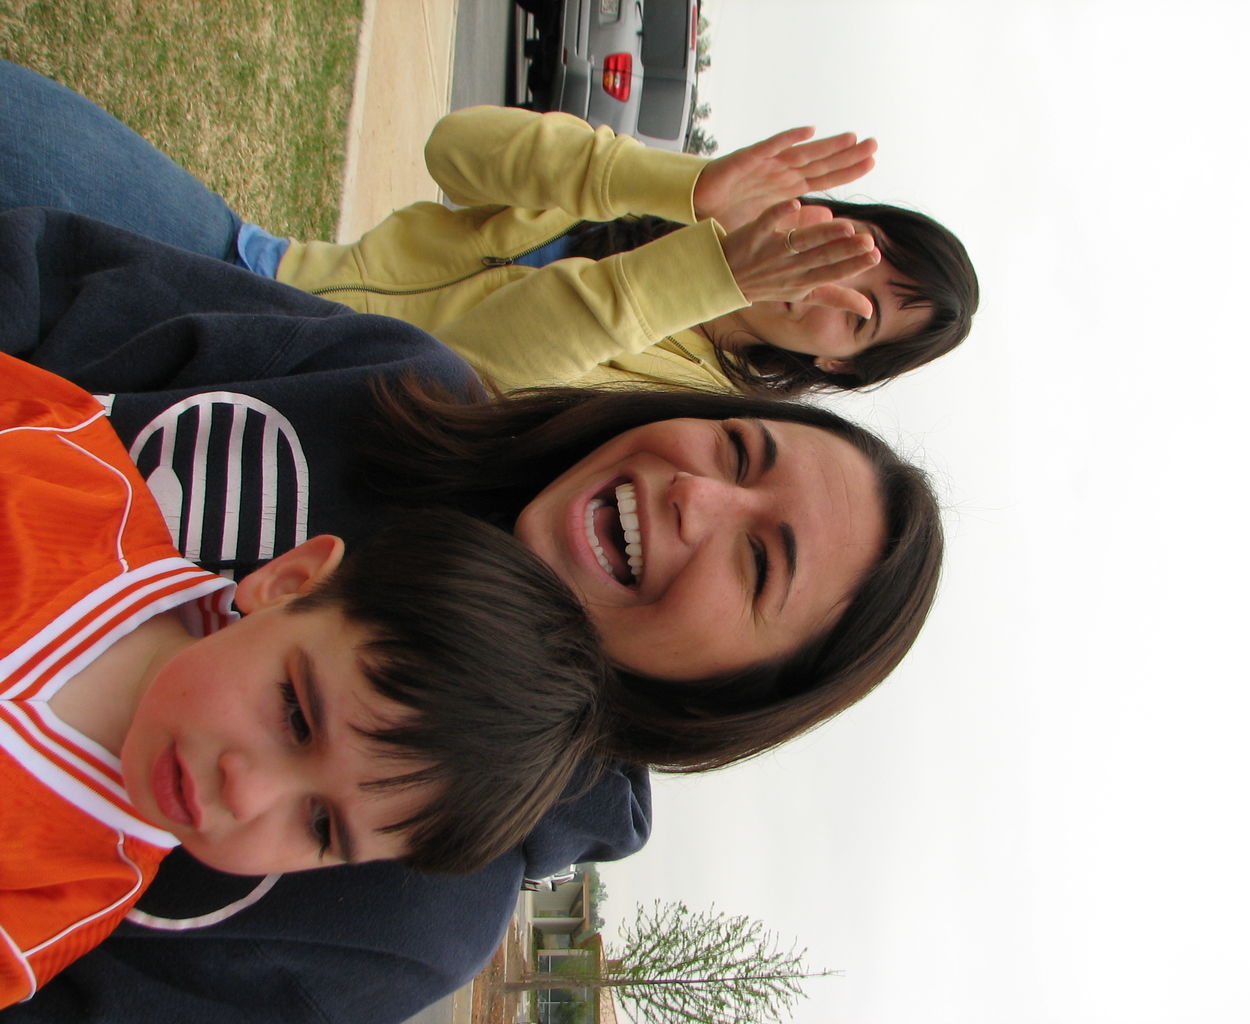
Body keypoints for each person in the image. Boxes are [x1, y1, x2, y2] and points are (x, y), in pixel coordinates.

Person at [0, 208, 942, 1020]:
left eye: (757, 562)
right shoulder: (393, 386)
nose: (699, 498)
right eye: (737, 451)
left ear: (727, 694)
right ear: (292, 581)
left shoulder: (410, 913)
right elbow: (58, 280)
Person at [0, 354, 610, 1007]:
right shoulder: (63, 462)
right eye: (297, 716)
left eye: (321, 826)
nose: (249, 791)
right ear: (290, 582)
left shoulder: (57, 908)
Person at [0, 59, 979, 397]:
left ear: (842, 370)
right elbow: (456, 149)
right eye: (854, 253)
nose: (825, 286)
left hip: (271, 382)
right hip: (245, 260)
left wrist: (708, 278)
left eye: (861, 319)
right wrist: (682, 189)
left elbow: (450, 370)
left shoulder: (697, 411)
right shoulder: (665, 210)